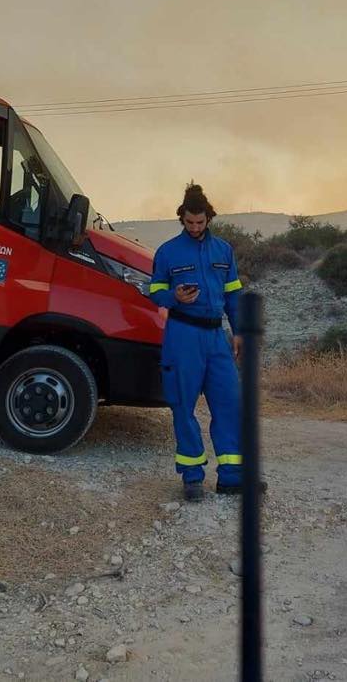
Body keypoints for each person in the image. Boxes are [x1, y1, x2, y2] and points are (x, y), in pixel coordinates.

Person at [147, 184, 250, 501]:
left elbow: (233, 294)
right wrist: (173, 297)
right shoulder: (167, 252)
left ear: (208, 219)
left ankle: (231, 477)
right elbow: (155, 292)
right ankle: (192, 478)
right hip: (183, 335)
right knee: (183, 406)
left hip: (216, 336)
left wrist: (239, 330)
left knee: (229, 403)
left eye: (200, 223)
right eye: (189, 223)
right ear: (182, 219)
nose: (195, 228)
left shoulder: (224, 251)